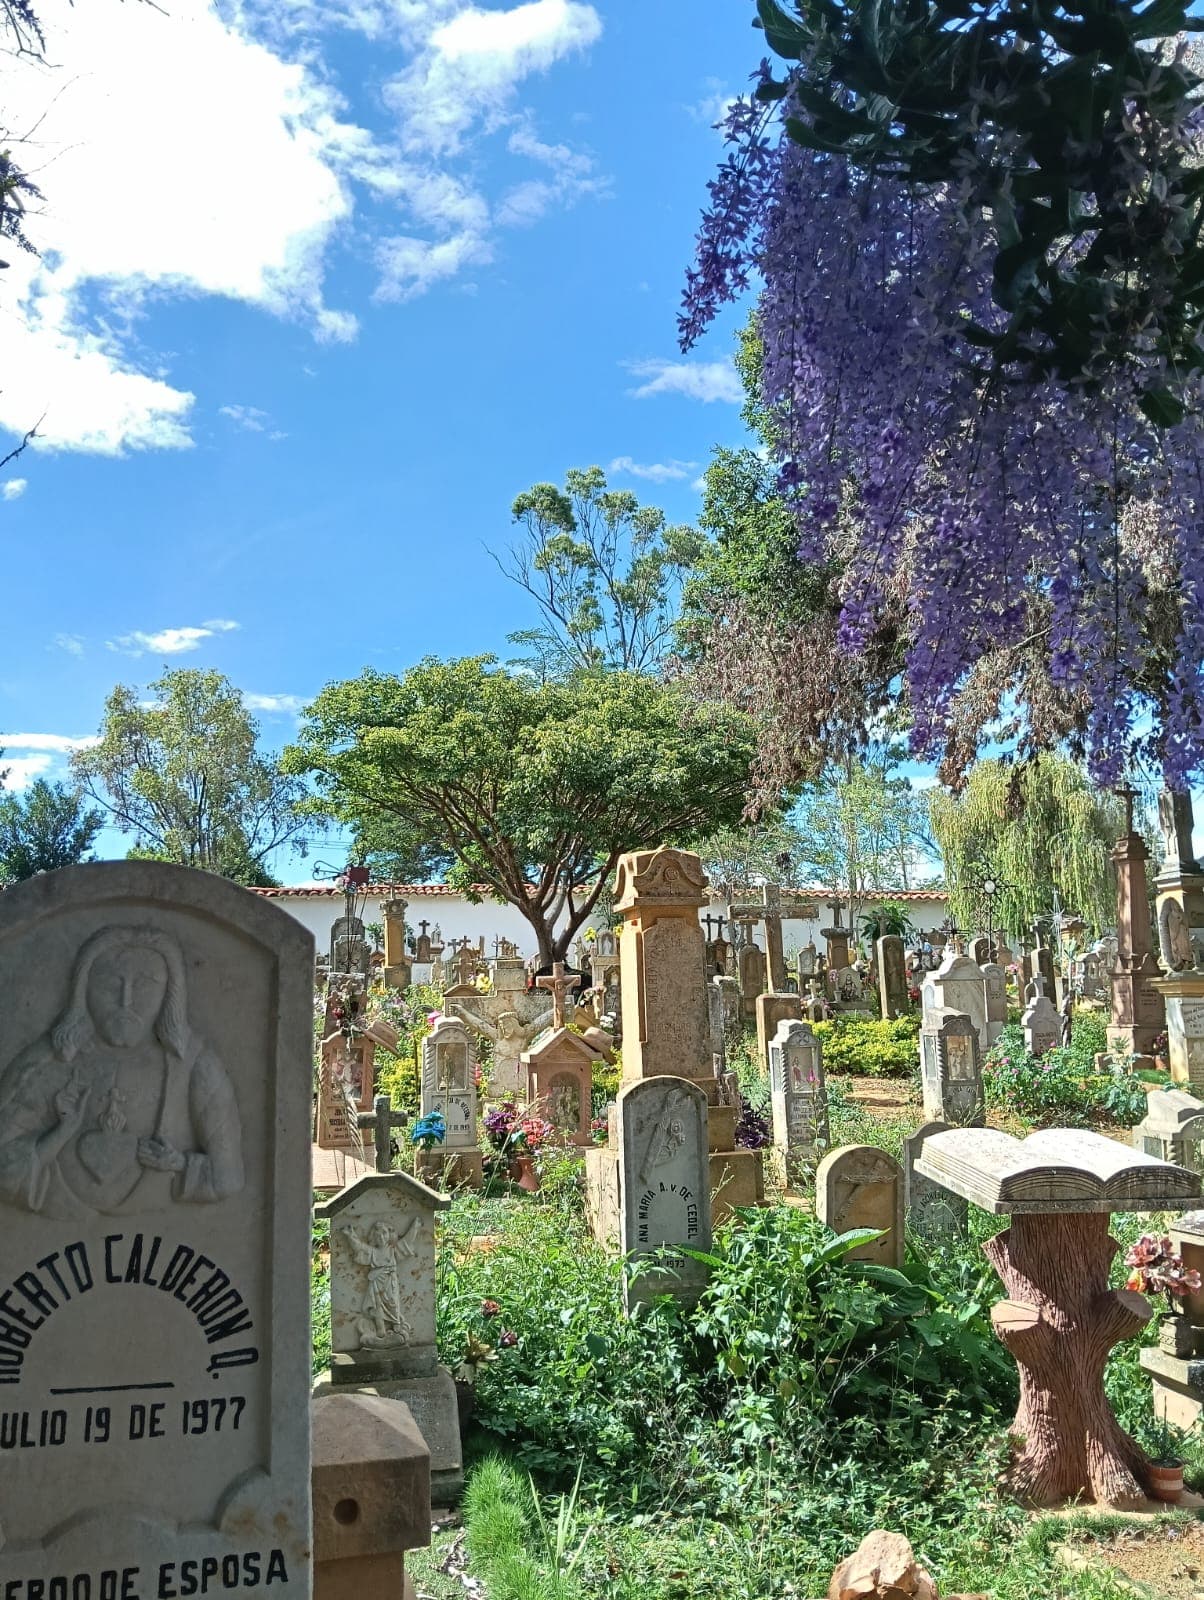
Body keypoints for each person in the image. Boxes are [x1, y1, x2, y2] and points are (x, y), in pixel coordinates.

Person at [0, 924, 244, 1219]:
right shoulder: (47, 1061)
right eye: (109, 983)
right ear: (83, 989)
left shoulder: (195, 1066)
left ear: (169, 993)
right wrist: (60, 1133)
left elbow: (228, 1176)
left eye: (145, 984)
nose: (125, 1001)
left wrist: (178, 1164)